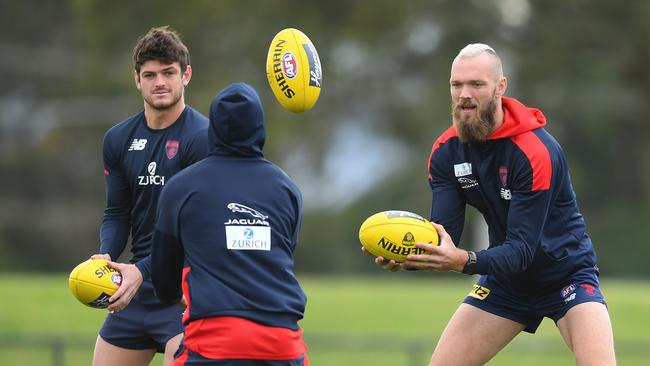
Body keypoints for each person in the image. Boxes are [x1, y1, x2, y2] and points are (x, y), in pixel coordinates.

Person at [369, 44, 616, 365]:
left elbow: (522, 249)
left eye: (476, 84)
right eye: (456, 85)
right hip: (505, 282)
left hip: (566, 274)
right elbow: (444, 235)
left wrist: (464, 261)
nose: (464, 94)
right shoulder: (446, 152)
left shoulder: (535, 151)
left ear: (501, 87)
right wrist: (408, 255)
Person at [150, 82, 309, 366]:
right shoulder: (288, 189)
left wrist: (180, 295)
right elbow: (279, 260)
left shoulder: (181, 188)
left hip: (213, 343)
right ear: (260, 127)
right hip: (283, 344)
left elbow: (163, 281)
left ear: (213, 128)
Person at [91, 26, 209, 366]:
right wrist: (105, 256)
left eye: (169, 72)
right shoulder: (117, 140)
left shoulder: (203, 139)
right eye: (150, 74)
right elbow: (117, 213)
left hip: (185, 293)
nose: (160, 82)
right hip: (135, 291)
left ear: (186, 75)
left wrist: (140, 269)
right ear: (137, 80)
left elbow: (194, 229)